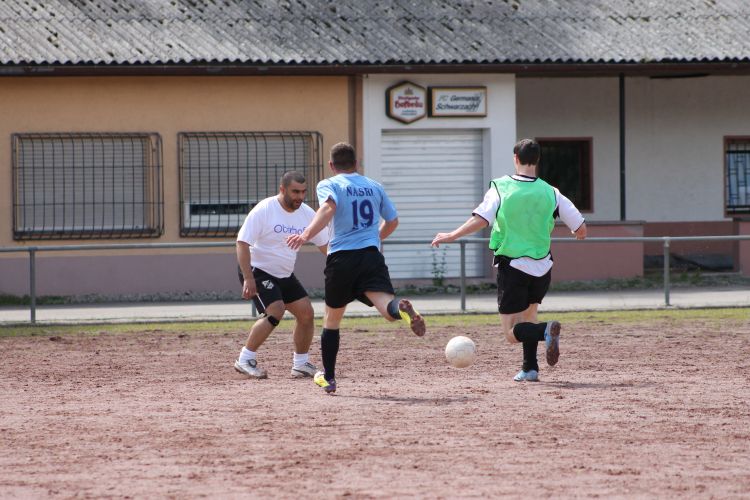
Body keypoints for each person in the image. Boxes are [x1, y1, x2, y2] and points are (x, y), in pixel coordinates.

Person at [431, 138, 587, 382]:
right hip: (543, 267)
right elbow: (581, 228)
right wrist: (577, 234)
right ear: (537, 160)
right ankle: (530, 368)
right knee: (529, 317)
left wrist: (452, 235)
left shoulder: (501, 187)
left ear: (516, 158)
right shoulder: (551, 192)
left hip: (514, 266)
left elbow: (482, 219)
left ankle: (545, 331)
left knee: (512, 333)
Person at [287, 142, 426, 394]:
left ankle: (329, 378)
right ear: (356, 163)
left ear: (332, 165)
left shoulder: (329, 184)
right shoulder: (374, 186)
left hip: (342, 258)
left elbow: (328, 207)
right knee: (387, 309)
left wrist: (306, 234)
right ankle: (402, 309)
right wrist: (374, 238)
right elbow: (392, 221)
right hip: (371, 256)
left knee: (332, 320)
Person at [234, 171, 329, 379]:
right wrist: (248, 278)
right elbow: (242, 243)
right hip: (257, 270)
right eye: (295, 192)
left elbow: (325, 245)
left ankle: (301, 364)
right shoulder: (265, 209)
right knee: (275, 310)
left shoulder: (307, 213)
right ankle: (245, 359)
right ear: (282, 189)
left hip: (284, 273)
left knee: (306, 313)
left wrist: (342, 264)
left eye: (303, 192)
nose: (300, 197)